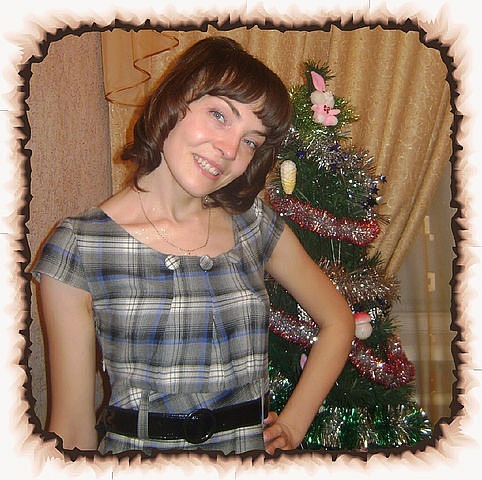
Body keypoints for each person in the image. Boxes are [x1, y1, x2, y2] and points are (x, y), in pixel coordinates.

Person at [31, 36, 354, 456]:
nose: (229, 150)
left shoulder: (254, 225)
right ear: (175, 100)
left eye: (251, 141)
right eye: (220, 115)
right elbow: (73, 429)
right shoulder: (80, 246)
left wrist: (294, 423)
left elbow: (338, 321)